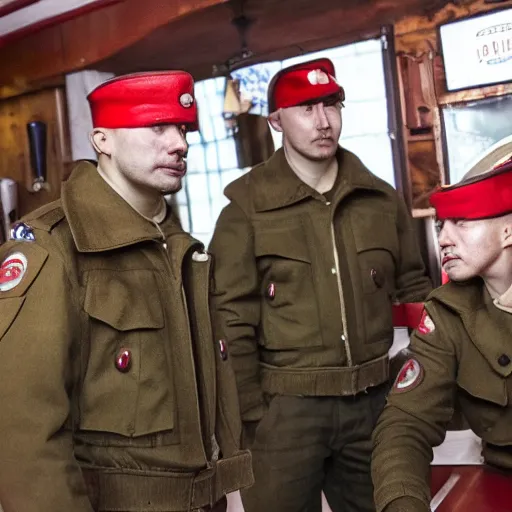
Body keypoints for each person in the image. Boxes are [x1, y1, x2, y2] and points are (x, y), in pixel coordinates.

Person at [0, 71, 253, 512]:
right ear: (103, 141)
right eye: (157, 126)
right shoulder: (53, 248)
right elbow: (22, 431)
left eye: (183, 128)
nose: (179, 144)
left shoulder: (180, 248)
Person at [208, 57, 431, 512]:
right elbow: (230, 322)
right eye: (307, 109)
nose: (324, 122)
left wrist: (418, 389)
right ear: (276, 120)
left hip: (374, 404)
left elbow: (416, 291)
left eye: (332, 105)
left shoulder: (380, 200)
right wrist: (253, 417)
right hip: (285, 412)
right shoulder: (244, 209)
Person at [371, 136, 512, 512]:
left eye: (462, 222)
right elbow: (404, 425)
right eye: (442, 225)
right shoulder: (450, 312)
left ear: (508, 231)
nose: (444, 238)